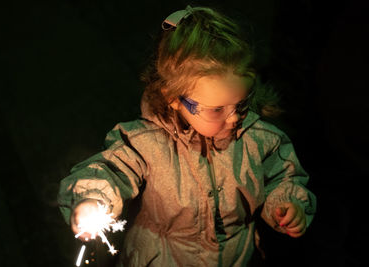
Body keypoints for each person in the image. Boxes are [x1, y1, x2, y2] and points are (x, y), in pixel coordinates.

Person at [58, 5, 316, 267]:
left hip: (236, 258)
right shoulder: (145, 143)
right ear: (175, 99)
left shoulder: (260, 138)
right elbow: (112, 169)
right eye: (216, 109)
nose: (235, 117)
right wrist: (92, 199)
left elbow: (284, 175)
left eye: (241, 103)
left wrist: (287, 202)